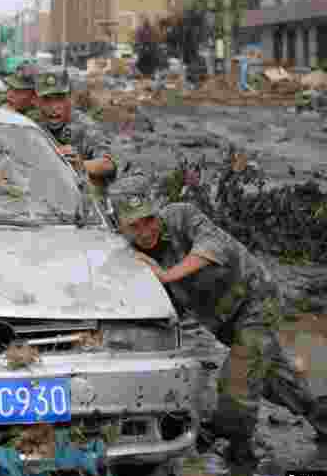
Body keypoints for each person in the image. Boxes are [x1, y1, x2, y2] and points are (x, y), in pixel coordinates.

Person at [115, 195, 327, 461]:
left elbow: (215, 247)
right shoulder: (127, 253)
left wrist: (167, 275)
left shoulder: (182, 216)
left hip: (257, 300)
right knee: (272, 378)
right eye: (135, 226)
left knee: (237, 380)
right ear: (122, 228)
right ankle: (321, 417)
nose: (146, 231)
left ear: (157, 213)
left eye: (149, 220)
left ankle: (239, 454)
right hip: (223, 322)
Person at [35, 71, 116, 187]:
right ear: (38, 102)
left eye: (59, 99)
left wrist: (79, 165)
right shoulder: (32, 125)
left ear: (69, 100)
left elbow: (108, 164)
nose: (53, 107)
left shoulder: (85, 126)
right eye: (47, 99)